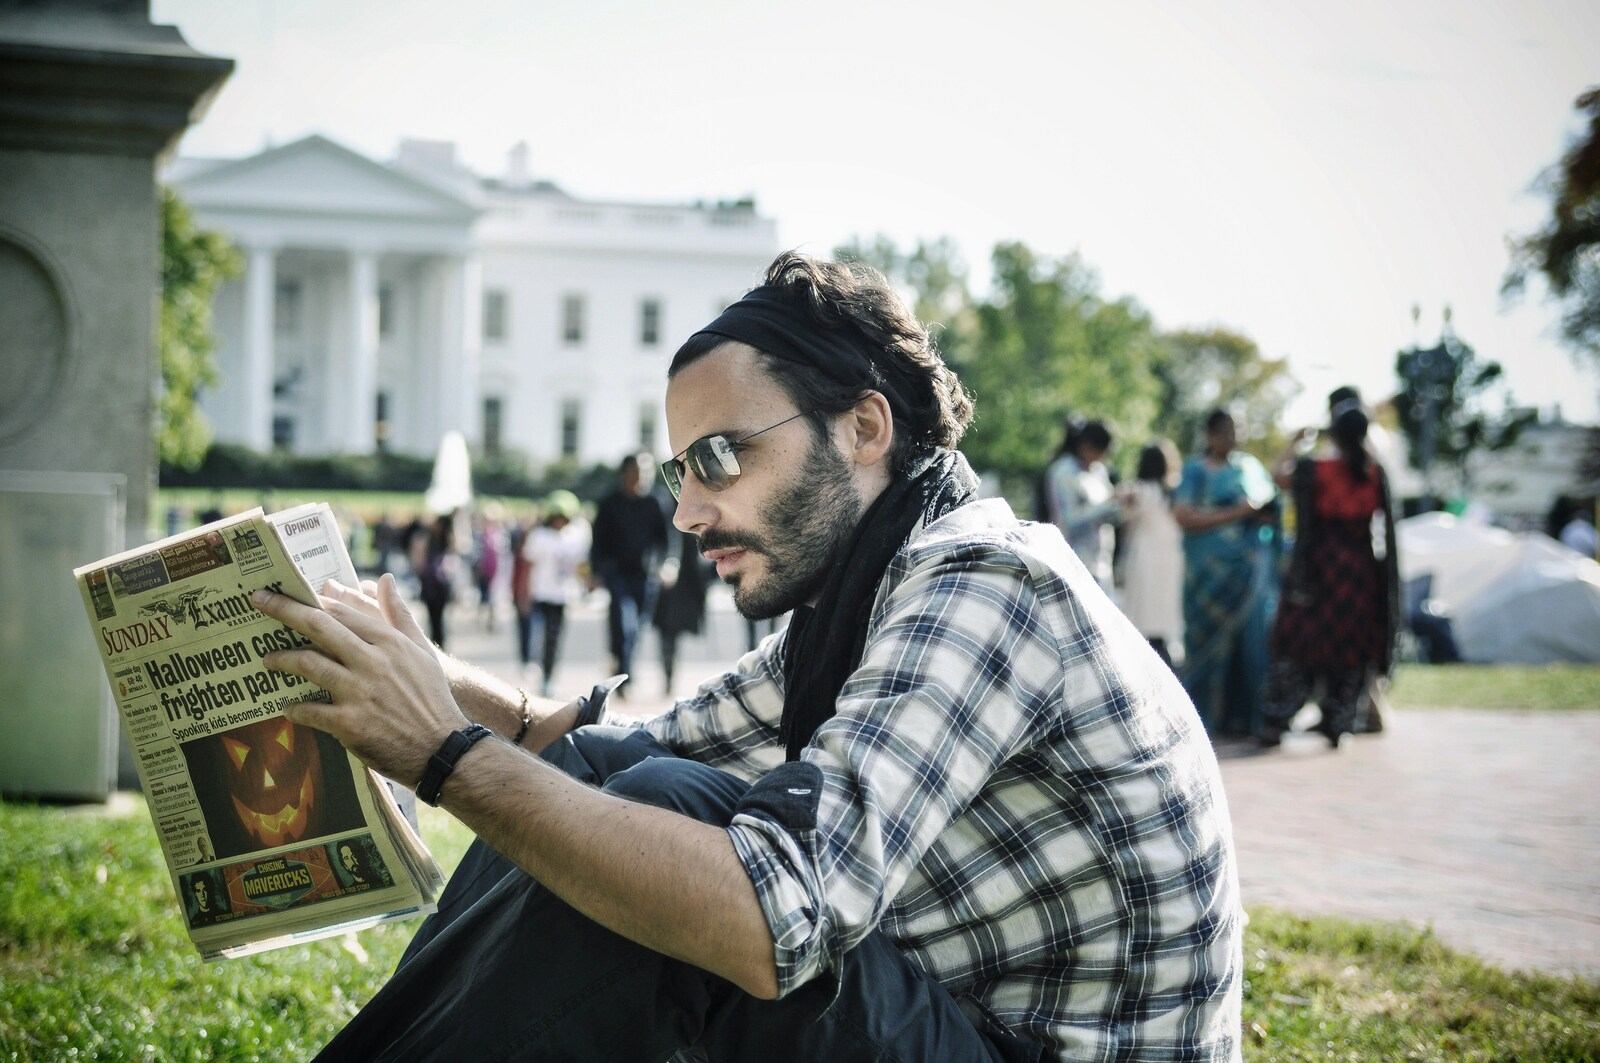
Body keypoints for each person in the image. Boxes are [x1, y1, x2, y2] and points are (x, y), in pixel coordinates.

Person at [252, 251, 1242, 1061]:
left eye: (721, 458)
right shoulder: (862, 597)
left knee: (651, 823)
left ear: (863, 427)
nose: (687, 511)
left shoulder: (985, 585)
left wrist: (441, 753)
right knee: (605, 777)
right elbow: (601, 747)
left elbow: (776, 918)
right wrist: (386, 669)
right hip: (962, 1024)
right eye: (683, 470)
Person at [1260, 399, 1399, 748]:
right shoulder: (1374, 473)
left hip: (1318, 573)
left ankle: (1278, 720)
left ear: (1334, 433)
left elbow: (1277, 478)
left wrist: (1294, 443)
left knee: (1298, 645)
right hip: (1359, 577)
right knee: (1349, 650)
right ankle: (1339, 722)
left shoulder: (1315, 469)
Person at [1173, 410, 1278, 738]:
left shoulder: (1249, 466)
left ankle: (1245, 721)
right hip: (1206, 579)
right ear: (1211, 434)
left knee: (1250, 646)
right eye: (1227, 431)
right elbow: (1184, 515)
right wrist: (1236, 512)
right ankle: (1202, 723)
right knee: (1205, 649)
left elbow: (1270, 504)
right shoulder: (1194, 471)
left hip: (1246, 575)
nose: (1234, 437)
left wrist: (1260, 515)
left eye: (1239, 430)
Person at [590, 453, 669, 691]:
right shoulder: (608, 503)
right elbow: (597, 542)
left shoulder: (656, 502)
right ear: (624, 474)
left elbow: (666, 540)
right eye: (636, 472)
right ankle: (625, 675)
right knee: (624, 623)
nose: (641, 478)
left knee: (637, 628)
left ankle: (622, 664)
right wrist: (595, 572)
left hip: (646, 576)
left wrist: (668, 565)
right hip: (617, 574)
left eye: (646, 473)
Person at [1119, 440, 1184, 667]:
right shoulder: (1174, 490)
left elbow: (1124, 518)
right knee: (1162, 609)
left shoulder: (1136, 491)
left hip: (1145, 554)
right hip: (1169, 555)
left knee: (1143, 611)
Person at [523, 491, 590, 697]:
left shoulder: (575, 537)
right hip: (540, 593)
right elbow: (528, 565)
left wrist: (587, 584)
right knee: (536, 634)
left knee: (553, 638)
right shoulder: (539, 537)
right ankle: (532, 664)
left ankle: (548, 676)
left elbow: (580, 566)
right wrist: (523, 593)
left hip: (561, 596)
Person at [1045, 419, 1120, 590]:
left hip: (1101, 559)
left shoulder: (1099, 470)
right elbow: (1068, 520)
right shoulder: (1064, 472)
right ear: (1086, 446)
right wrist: (1108, 505)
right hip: (1073, 557)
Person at [653, 527, 712, 695]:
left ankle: (669, 675)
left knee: (671, 635)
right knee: (667, 635)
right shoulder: (664, 511)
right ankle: (668, 675)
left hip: (686, 584)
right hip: (666, 585)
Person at [417, 513, 456, 650]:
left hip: (433, 585)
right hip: (437, 585)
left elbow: (420, 560)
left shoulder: (433, 539)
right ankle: (439, 646)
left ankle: (437, 646)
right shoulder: (444, 540)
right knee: (437, 620)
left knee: (435, 620)